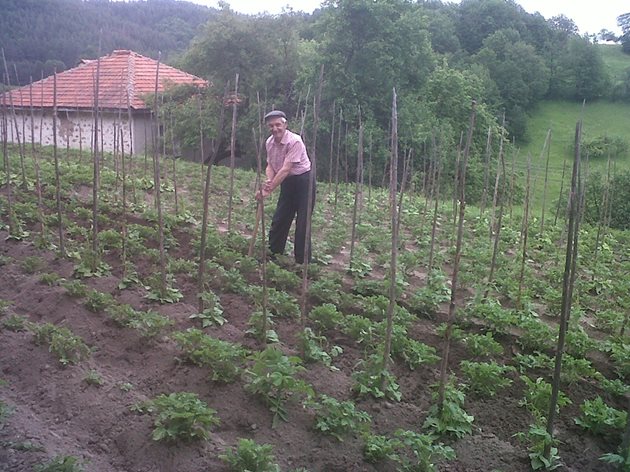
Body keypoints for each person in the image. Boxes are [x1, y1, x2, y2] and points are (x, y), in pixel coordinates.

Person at [256, 110, 314, 264]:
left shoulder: (295, 141)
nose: (275, 129)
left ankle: (303, 262)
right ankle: (274, 254)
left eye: (278, 125)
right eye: (271, 126)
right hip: (287, 182)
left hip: (303, 182)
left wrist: (267, 190)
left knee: (302, 223)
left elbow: (286, 168)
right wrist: (269, 180)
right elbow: (270, 165)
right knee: (280, 219)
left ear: (285, 125)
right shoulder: (269, 142)